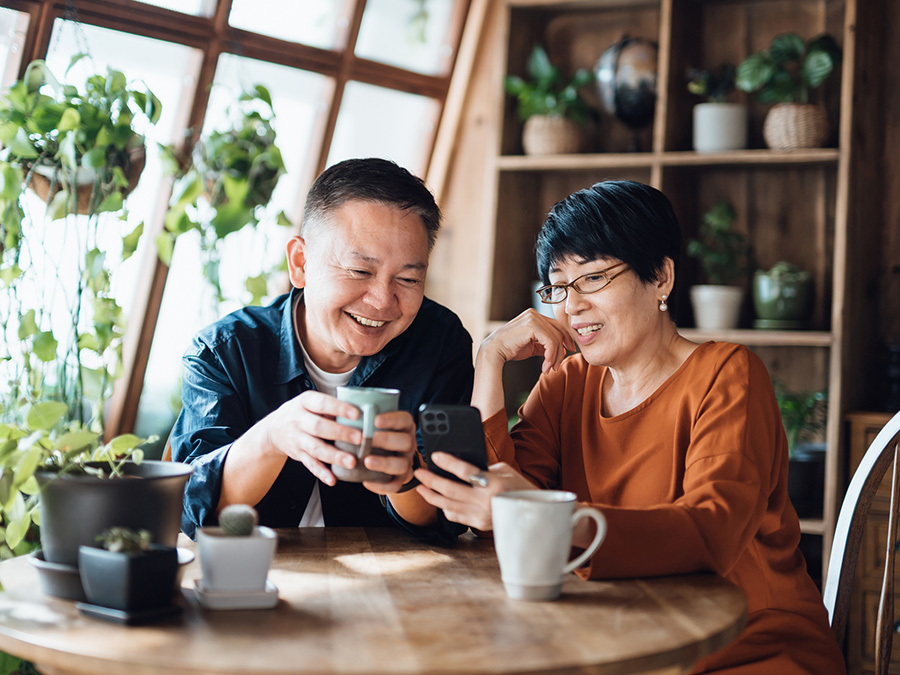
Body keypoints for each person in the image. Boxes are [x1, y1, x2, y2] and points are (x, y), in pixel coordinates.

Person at [414, 180, 846, 673]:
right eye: (559, 286)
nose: (570, 306)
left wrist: (538, 516)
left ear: (661, 277)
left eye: (594, 278)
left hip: (746, 645)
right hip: (621, 640)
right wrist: (489, 361)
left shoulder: (728, 374)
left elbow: (711, 531)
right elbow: (492, 515)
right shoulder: (567, 383)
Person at [171, 157, 473, 543]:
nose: (382, 300)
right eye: (360, 271)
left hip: (394, 586)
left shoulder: (439, 343)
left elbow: (450, 516)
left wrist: (404, 479)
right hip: (256, 574)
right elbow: (195, 513)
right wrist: (272, 437)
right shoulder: (225, 352)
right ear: (300, 263)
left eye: (409, 278)